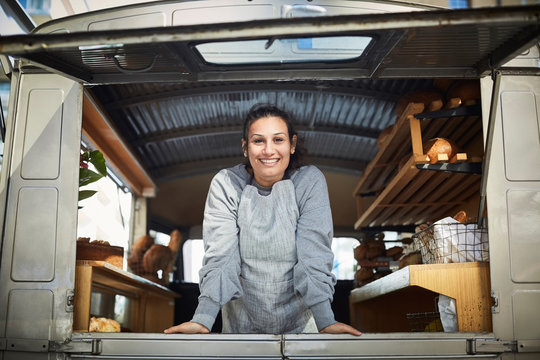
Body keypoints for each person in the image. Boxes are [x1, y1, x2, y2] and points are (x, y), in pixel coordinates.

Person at [164, 104, 361, 336]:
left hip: (302, 331)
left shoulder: (309, 182)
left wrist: (326, 320)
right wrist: (203, 319)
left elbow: (313, 255)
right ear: (245, 147)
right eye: (258, 141)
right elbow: (222, 255)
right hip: (241, 330)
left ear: (292, 145)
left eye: (278, 140)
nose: (269, 150)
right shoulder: (226, 184)